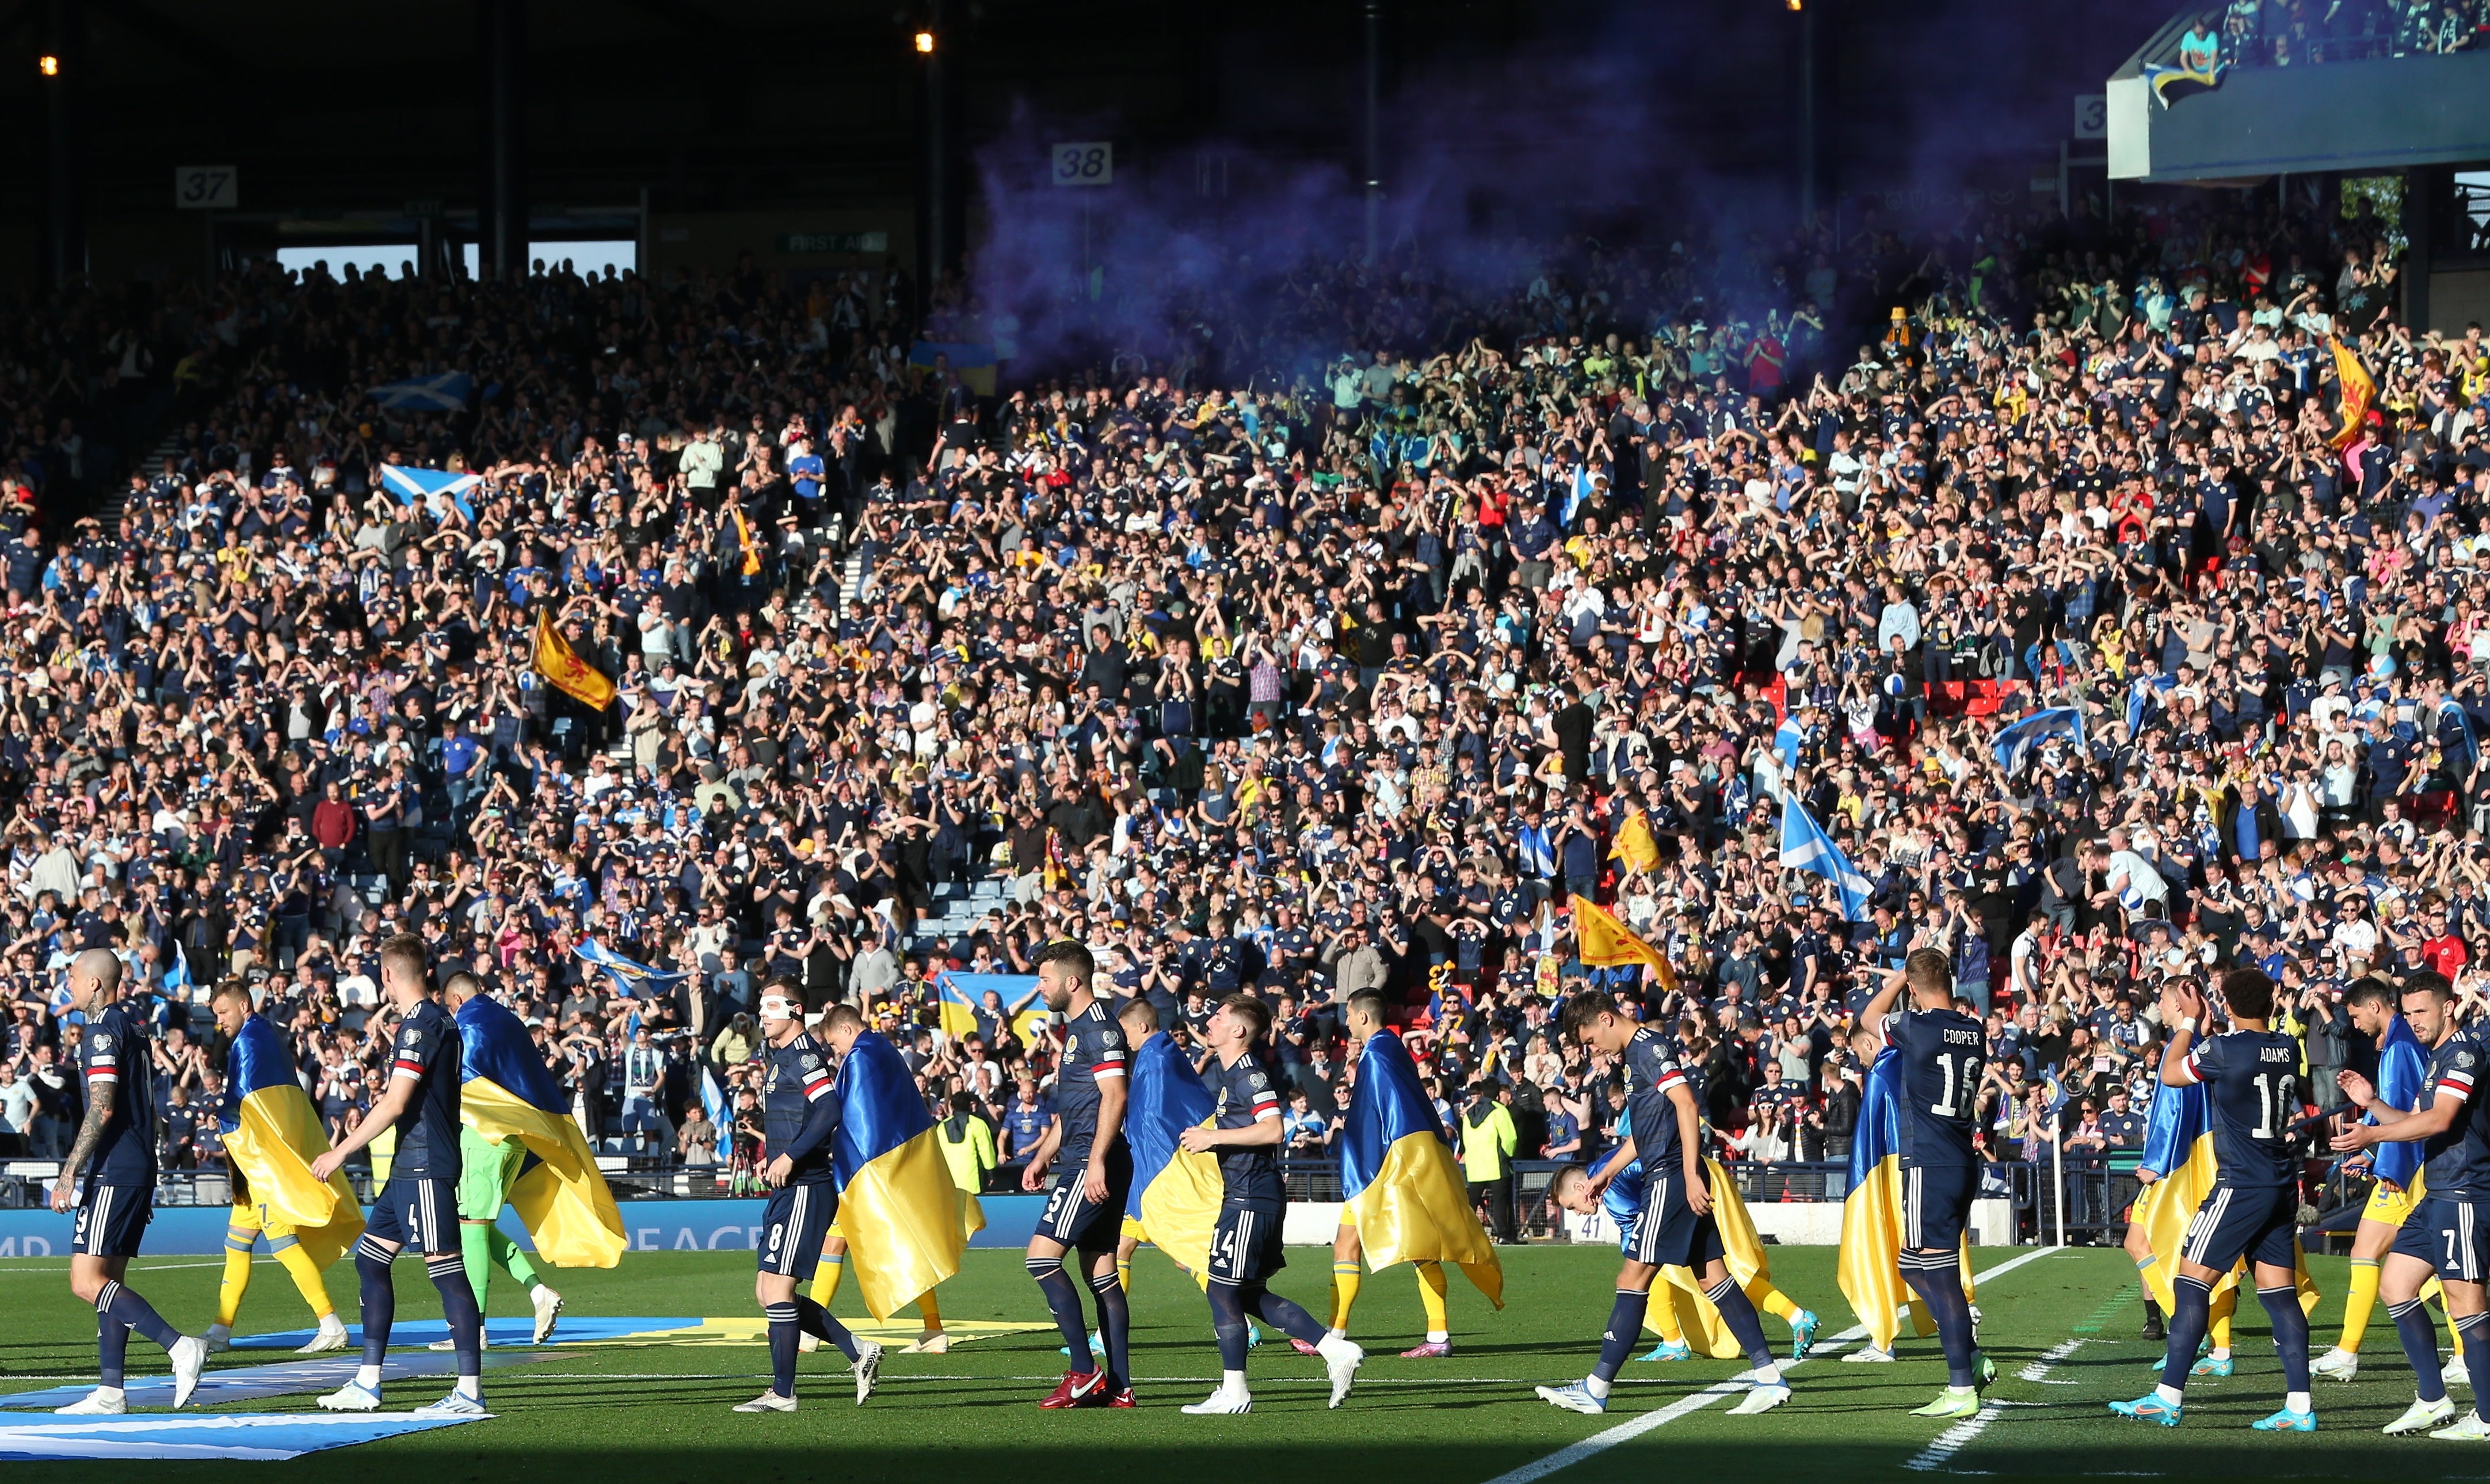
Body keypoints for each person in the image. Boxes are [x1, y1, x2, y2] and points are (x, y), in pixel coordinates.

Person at [1537, 991, 1787, 1417]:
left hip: (1671, 1178)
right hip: (1672, 1172)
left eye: (1591, 1038)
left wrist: (1690, 1174)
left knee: (1632, 1275)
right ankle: (1768, 1376)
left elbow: (1687, 1104)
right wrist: (1605, 1173)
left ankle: (1596, 1386)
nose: (1592, 1049)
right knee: (1713, 1279)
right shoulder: (1636, 1059)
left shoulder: (1649, 1048)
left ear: (1605, 1018)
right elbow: (1644, 1134)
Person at [2110, 968, 2313, 1432]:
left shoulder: (2224, 1048)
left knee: (2191, 1283)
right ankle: (2299, 1406)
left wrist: (2187, 1022)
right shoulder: (2287, 1047)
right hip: (2279, 1181)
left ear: (2228, 1004)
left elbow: (2170, 1073)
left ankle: (2167, 1396)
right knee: (2281, 1297)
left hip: (2240, 1183)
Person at [309, 933, 488, 1416]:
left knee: (446, 1271)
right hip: (408, 1166)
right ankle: (368, 1382)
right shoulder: (426, 1022)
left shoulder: (422, 1026)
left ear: (387, 975)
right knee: (370, 1260)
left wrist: (339, 1152)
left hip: (424, 1164)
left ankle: (469, 1390)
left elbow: (396, 1102)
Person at [1176, 993, 1364, 1414]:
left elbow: (1273, 1128)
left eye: (1219, 1015)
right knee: (1245, 1293)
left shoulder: (1247, 1073)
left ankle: (1235, 1390)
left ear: (1238, 1030)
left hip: (1250, 1196)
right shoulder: (1231, 1073)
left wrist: (1213, 1138)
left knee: (1222, 1288)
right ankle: (1334, 1350)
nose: (1210, 1020)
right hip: (1246, 1194)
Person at [2329, 972, 2490, 1437]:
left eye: (2423, 1010)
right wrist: (2372, 1102)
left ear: (2448, 1007)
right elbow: (2415, 1119)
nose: (2414, 1019)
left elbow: (2438, 1120)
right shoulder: (2437, 1056)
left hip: (2463, 1191)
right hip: (2437, 1189)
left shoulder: (2462, 1053)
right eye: (2409, 1011)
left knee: (2466, 1302)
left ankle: (2485, 1416)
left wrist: (2371, 1135)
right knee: (2395, 1284)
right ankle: (2432, 1398)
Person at [48, 949, 207, 1415]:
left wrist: (69, 1171)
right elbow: (146, 1108)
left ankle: (179, 1346)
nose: (69, 985)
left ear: (96, 983)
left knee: (85, 1280)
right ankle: (111, 1389)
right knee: (109, 1279)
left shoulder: (102, 1030)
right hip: (133, 1165)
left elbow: (103, 1106)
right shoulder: (134, 1027)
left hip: (115, 1166)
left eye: (73, 977)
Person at [1853, 950, 1996, 1420]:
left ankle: (1961, 1382)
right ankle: (1969, 1356)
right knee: (1910, 1265)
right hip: (1959, 1158)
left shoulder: (1916, 1026)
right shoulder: (1972, 1028)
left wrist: (1895, 978)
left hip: (1929, 1162)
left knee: (1937, 1274)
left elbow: (1869, 1017)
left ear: (1913, 989)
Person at [1321, 989, 1503, 1359]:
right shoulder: (1388, 1047)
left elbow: (1382, 1116)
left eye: (1350, 1015)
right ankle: (1334, 1334)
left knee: (1421, 1248)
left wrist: (1375, 1160)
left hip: (1390, 1167)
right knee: (1348, 1244)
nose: (1346, 1022)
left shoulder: (1376, 1054)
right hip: (1391, 1164)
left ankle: (1437, 1337)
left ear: (1363, 1017)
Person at [730, 989, 882, 1413]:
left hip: (805, 1184)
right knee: (767, 1290)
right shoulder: (778, 1054)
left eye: (772, 1006)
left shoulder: (804, 1055)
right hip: (786, 1183)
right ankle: (858, 1349)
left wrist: (791, 1155)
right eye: (761, 1007)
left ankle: (783, 1393)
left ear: (796, 1010)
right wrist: (774, 1157)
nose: (763, 1015)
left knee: (779, 1288)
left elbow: (829, 1110)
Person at [1019, 939, 1137, 1408]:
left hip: (1094, 1160)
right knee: (1101, 1272)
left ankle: (1083, 1371)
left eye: (1045, 978)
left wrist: (1093, 1161)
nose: (1039, 986)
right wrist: (1043, 1153)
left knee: (1041, 1258)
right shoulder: (1076, 1031)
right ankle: (1120, 1384)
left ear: (1072, 981)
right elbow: (1075, 1108)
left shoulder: (1100, 1030)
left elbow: (1115, 1097)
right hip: (1083, 1156)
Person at [203, 978, 348, 1356]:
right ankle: (220, 1329)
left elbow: (245, 1103)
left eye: (223, 1012)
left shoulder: (250, 1042)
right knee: (236, 1245)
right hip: (256, 1165)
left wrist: (224, 1120)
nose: (219, 1021)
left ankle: (330, 1323)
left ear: (244, 1005)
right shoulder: (264, 1036)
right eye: (215, 1015)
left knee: (283, 1244)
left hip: (263, 1165)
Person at [2311, 976, 2440, 1382]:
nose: (2353, 1024)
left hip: (2407, 1165)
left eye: (2353, 1015)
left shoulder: (2398, 1045)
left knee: (2369, 1254)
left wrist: (2380, 1155)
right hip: (2406, 1159)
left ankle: (2348, 1352)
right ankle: (2459, 1352)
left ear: (2373, 1007)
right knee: (2429, 1270)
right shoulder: (2396, 1042)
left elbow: (2404, 1110)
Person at [432, 972, 566, 1352]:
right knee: (482, 1229)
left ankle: (473, 1329)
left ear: (456, 999)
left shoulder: (470, 1023)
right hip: (514, 1138)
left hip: (483, 1135)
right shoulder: (509, 1020)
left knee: (470, 1229)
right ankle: (538, 1292)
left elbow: (462, 1080)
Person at [1459, 1079, 1519, 1243]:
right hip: (1496, 1165)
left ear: (1482, 1093)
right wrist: (1508, 1154)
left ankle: (1461, 1234)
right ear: (1498, 1093)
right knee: (1501, 1202)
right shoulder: (1500, 1111)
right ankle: (1504, 1235)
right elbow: (1510, 1138)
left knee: (1472, 1203)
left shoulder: (1469, 1113)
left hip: (1475, 1166)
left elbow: (1466, 1139)